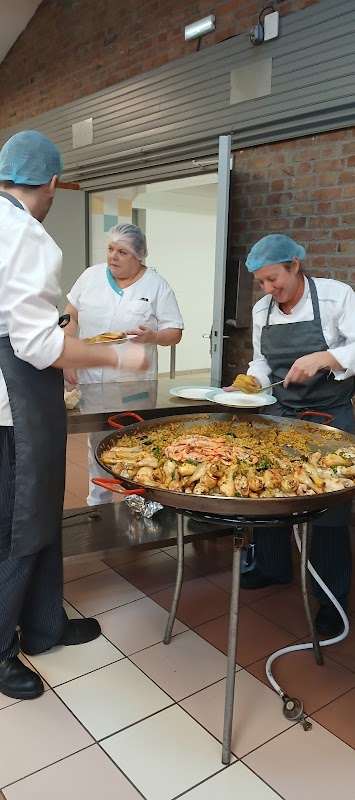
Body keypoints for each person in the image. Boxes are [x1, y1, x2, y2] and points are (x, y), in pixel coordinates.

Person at [0, 131, 147, 701]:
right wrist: (118, 354)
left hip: (18, 403)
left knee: (38, 521)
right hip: (16, 407)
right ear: (53, 182)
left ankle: (44, 626)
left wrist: (58, 322)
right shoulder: (27, 236)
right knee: (22, 528)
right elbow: (39, 346)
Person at [227, 234, 355, 637]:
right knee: (271, 493)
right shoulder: (263, 310)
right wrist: (247, 385)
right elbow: (261, 363)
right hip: (280, 416)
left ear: (294, 264)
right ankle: (272, 567)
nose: (269, 290)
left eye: (274, 279)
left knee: (329, 508)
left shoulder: (335, 297)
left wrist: (325, 357)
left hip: (329, 418)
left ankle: (330, 598)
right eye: (261, 283)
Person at [63, 222, 184, 505]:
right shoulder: (91, 276)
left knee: (138, 443)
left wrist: (153, 336)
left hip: (134, 382)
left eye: (122, 252)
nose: (113, 257)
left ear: (139, 255)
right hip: (91, 378)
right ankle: (98, 503)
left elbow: (175, 333)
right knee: (97, 442)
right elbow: (70, 314)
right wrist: (68, 351)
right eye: (110, 249)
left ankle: (143, 501)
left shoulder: (156, 285)